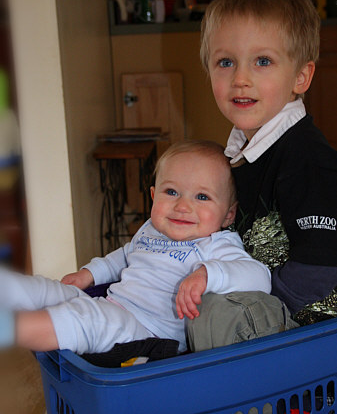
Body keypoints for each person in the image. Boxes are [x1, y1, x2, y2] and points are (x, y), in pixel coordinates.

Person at [188, 0, 337, 350]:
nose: (240, 78)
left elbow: (324, 264)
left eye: (262, 61)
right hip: (261, 307)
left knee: (208, 317)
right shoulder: (239, 151)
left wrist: (261, 308)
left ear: (301, 77)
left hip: (309, 334)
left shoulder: (310, 162)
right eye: (225, 62)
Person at [0, 140, 273, 355]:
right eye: (171, 192)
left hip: (148, 335)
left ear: (228, 214)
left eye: (202, 196)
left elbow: (260, 277)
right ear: (153, 196)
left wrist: (207, 275)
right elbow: (124, 256)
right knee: (51, 291)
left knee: (82, 321)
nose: (183, 205)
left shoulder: (216, 243)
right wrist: (90, 274)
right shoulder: (152, 229)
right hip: (112, 304)